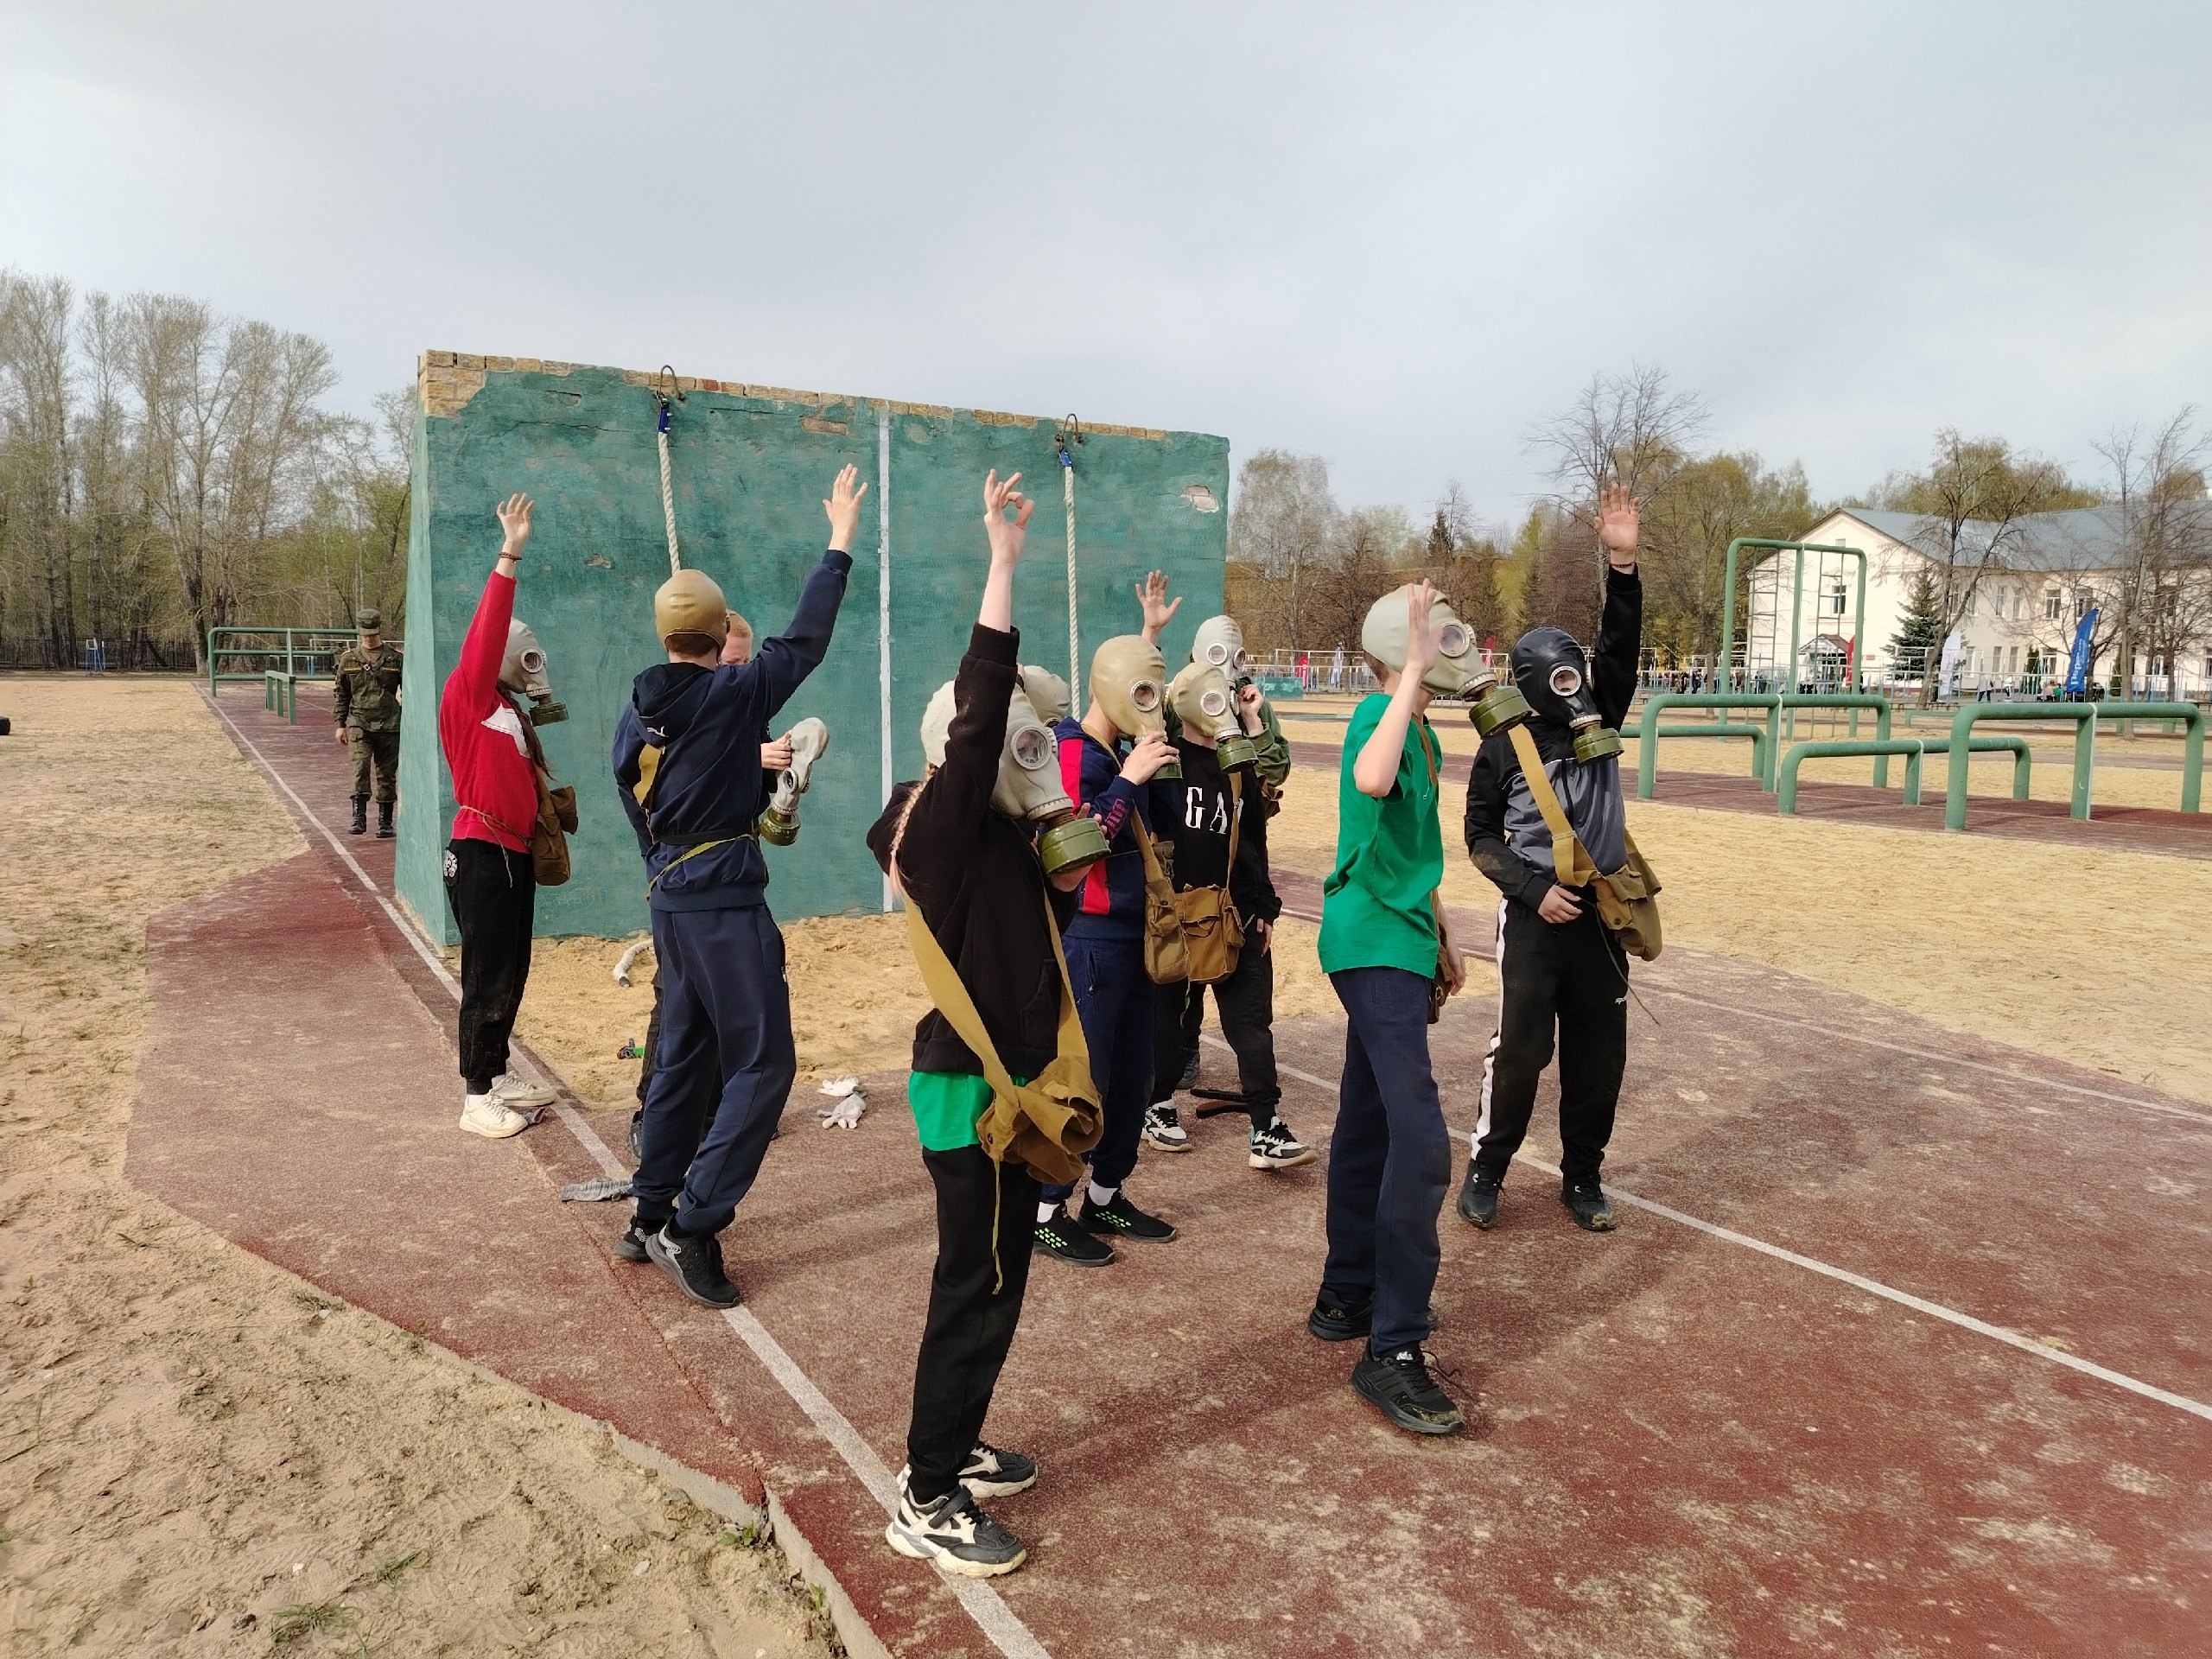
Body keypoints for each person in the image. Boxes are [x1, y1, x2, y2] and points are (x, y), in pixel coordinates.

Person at [865, 469, 1096, 1578]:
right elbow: (975, 729)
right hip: (970, 1088)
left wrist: (1067, 836)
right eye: (1016, 740)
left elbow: (1044, 931)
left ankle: (953, 1446)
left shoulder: (1002, 840)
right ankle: (925, 1494)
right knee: (978, 1285)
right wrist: (1002, 567)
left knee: (1001, 1276)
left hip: (1011, 1080)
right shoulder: (938, 838)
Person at [611, 466, 863, 1302]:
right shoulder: (733, 691)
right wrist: (838, 542)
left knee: (683, 1058)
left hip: (671, 899)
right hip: (722, 902)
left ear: (663, 636)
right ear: (722, 635)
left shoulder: (636, 711)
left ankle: (649, 1211)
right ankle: (691, 1225)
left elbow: (639, 797)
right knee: (762, 1065)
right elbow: (807, 639)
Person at [1459, 485, 1643, 1235]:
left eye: (1577, 670)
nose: (1572, 683)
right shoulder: (1502, 747)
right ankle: (1486, 1171)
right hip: (1537, 921)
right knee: (1520, 1053)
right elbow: (1479, 837)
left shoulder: (1603, 715)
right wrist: (1532, 890)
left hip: (1601, 916)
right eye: (1559, 675)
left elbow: (1621, 648)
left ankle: (1583, 1178)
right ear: (1532, 683)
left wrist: (1623, 565)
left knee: (1599, 1059)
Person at [1309, 580, 1471, 1436]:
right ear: (1398, 650)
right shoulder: (1381, 714)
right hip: (1370, 939)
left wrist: (1440, 929)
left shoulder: (1419, 728)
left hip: (1397, 936)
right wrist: (1408, 672)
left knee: (1369, 1118)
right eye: (1430, 640)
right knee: (1421, 1141)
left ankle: (1346, 1293)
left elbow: (1407, 844)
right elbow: (1370, 780)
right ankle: (1393, 1348)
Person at [617, 610, 792, 1165]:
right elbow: (661, 772)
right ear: (711, 651)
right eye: (730, 662)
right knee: (675, 1002)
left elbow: (741, 792)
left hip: (725, 874)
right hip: (683, 877)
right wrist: (749, 756)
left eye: (743, 663)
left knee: (726, 1005)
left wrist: (775, 777)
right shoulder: (670, 704)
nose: (735, 672)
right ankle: (652, 1117)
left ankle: (716, 1113)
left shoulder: (741, 702)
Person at [1033, 624, 1178, 1266]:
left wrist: (1148, 769)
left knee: (1133, 1077)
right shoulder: (1073, 751)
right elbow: (1074, 847)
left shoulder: (1117, 750)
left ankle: (1105, 1194)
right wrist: (1130, 779)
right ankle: (1045, 1208)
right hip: (1090, 937)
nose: (1151, 704)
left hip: (1133, 935)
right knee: (1084, 1077)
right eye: (1142, 692)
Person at [1139, 660, 1312, 1169]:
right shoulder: (1164, 763)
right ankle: (1157, 1103)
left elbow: (1255, 840)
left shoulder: (1238, 765)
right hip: (1176, 916)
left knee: (1251, 1024)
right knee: (1172, 1020)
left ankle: (1266, 1127)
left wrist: (1265, 908)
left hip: (1234, 915)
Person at [437, 493, 561, 1139]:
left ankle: (496, 1071)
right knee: (486, 975)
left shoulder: (507, 707)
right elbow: (487, 635)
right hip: (481, 850)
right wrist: (509, 554)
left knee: (512, 970)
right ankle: (475, 1095)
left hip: (511, 851)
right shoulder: (469, 692)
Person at [333, 608, 404, 838]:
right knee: (360, 767)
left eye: (373, 634)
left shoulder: (395, 659)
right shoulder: (349, 659)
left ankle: (385, 821)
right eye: (366, 634)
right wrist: (340, 724)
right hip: (359, 722)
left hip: (390, 723)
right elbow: (341, 693)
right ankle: (358, 817)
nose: (369, 638)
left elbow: (409, 691)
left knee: (387, 774)